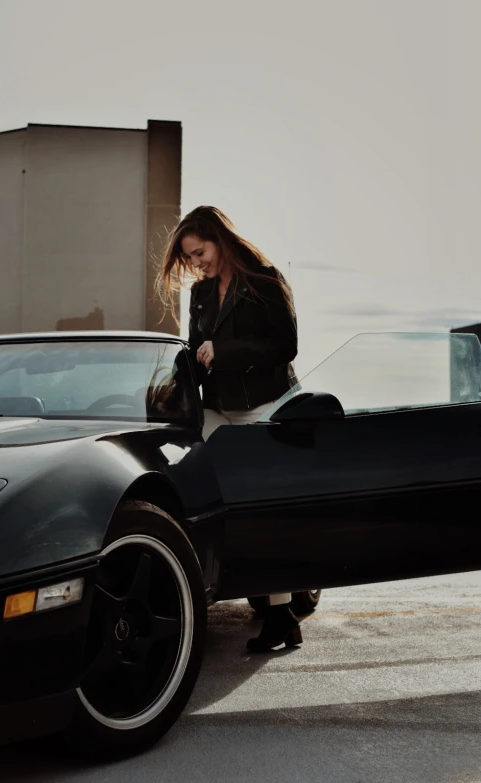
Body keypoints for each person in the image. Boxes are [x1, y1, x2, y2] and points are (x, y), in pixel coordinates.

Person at [160, 205, 302, 652]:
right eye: (189, 257)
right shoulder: (200, 293)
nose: (196, 263)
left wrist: (226, 350)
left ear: (220, 240)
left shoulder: (264, 279)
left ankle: (281, 614)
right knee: (194, 486)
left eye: (199, 252)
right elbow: (193, 351)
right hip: (218, 407)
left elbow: (286, 345)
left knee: (265, 508)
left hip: (267, 405)